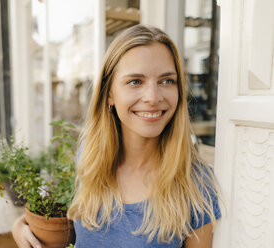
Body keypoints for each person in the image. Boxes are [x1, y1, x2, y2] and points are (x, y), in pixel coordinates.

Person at [12, 25, 221, 248]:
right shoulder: (90, 156)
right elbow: (82, 234)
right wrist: (21, 228)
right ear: (109, 94)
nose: (152, 97)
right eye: (135, 81)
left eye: (167, 80)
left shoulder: (196, 182)